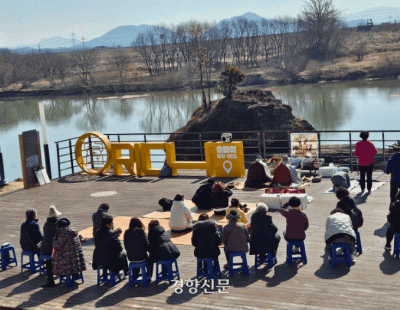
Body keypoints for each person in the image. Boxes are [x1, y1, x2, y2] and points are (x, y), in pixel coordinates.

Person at [40, 205, 62, 288]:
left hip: (45, 248)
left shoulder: (46, 224)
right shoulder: (57, 225)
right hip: (53, 248)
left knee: (48, 263)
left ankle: (50, 280)